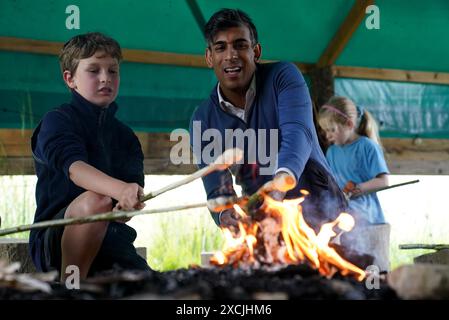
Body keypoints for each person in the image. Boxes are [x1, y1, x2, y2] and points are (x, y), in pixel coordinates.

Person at [189, 9, 347, 231]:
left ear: (256, 51)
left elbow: (298, 134)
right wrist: (225, 214)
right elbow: (216, 187)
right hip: (264, 225)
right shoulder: (203, 119)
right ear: (209, 57)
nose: (231, 55)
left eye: (240, 45)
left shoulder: (283, 77)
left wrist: (279, 185)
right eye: (220, 47)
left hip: (324, 213)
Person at [30, 32, 150, 281]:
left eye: (113, 71)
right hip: (56, 242)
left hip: (112, 243)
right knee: (96, 201)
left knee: (161, 290)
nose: (105, 78)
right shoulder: (58, 120)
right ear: (70, 79)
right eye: (93, 70)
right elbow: (75, 169)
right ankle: (69, 289)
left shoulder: (126, 136)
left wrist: (128, 202)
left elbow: (125, 206)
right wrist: (119, 190)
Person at [317, 96, 390, 225]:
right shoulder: (331, 152)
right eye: (325, 131)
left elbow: (384, 181)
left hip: (366, 216)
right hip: (341, 214)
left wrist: (360, 188)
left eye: (332, 130)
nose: (328, 136)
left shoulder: (367, 146)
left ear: (349, 124)